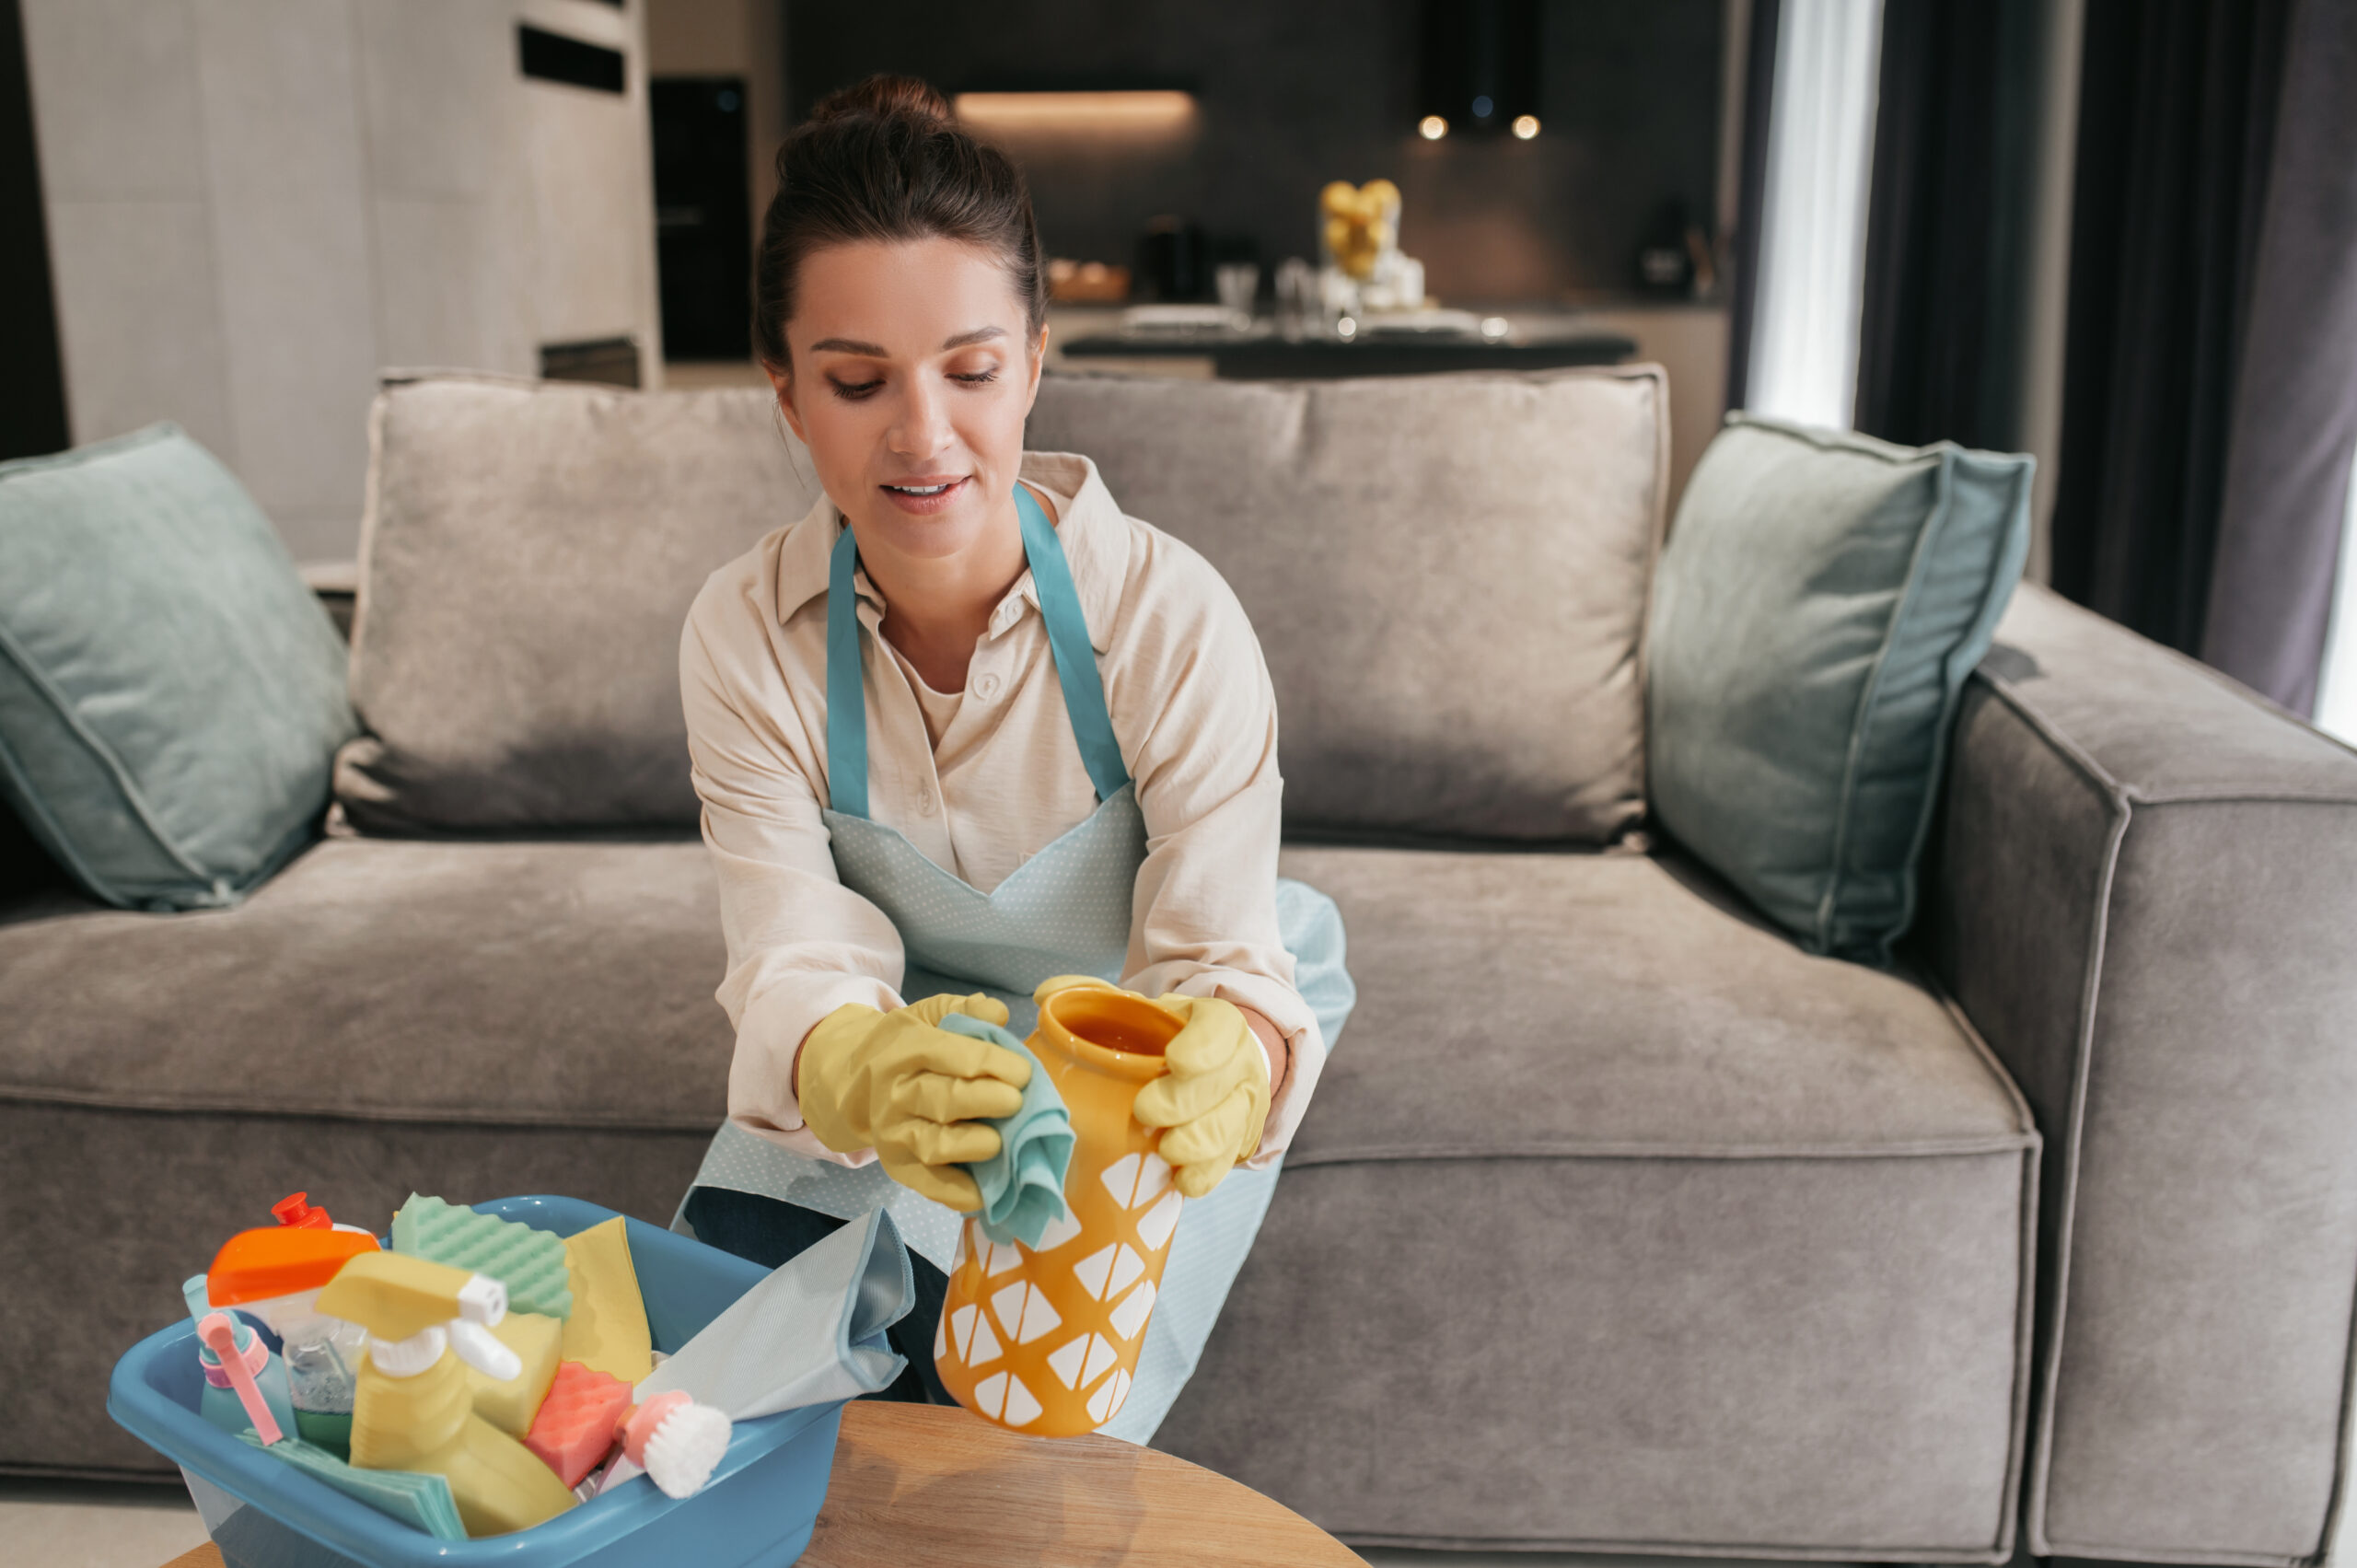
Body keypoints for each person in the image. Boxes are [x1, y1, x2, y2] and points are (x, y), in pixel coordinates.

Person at [673, 74, 1353, 1443]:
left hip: (1118, 1039)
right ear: (787, 394)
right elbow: (793, 953)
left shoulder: (1168, 620)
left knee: (1016, 1421)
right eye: (858, 382)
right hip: (904, 1033)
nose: (922, 435)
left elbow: (1215, 960)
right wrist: (858, 1071)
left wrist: (1233, 1060)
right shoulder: (746, 636)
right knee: (707, 1405)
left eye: (972, 372)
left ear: (1037, 363)